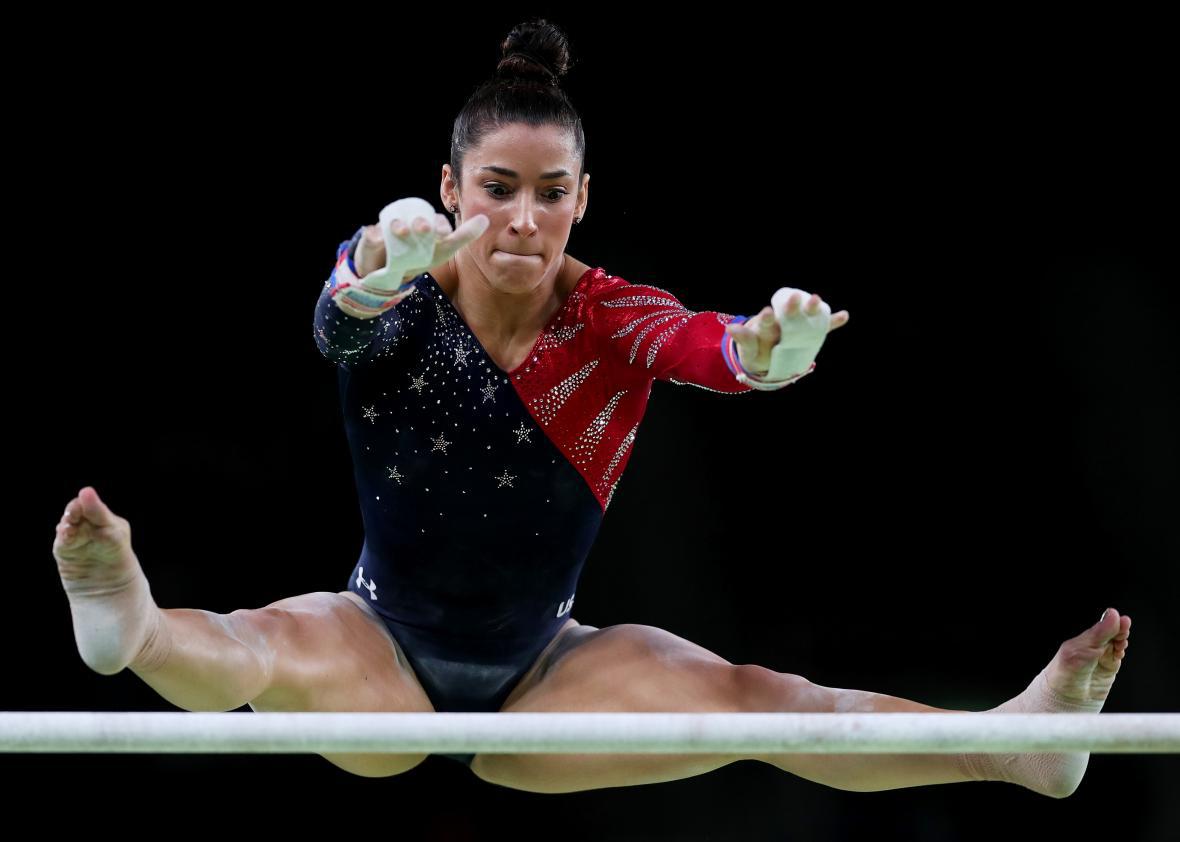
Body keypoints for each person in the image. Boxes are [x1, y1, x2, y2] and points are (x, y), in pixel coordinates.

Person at [53, 17, 1130, 795]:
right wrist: (378, 270)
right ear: (449, 186)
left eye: (551, 192)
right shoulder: (396, 281)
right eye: (498, 188)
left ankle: (1010, 744)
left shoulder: (609, 311)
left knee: (760, 695)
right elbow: (340, 322)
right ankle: (131, 620)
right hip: (376, 646)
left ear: (582, 196)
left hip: (549, 674)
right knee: (260, 643)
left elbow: (701, 345)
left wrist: (767, 347)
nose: (523, 220)